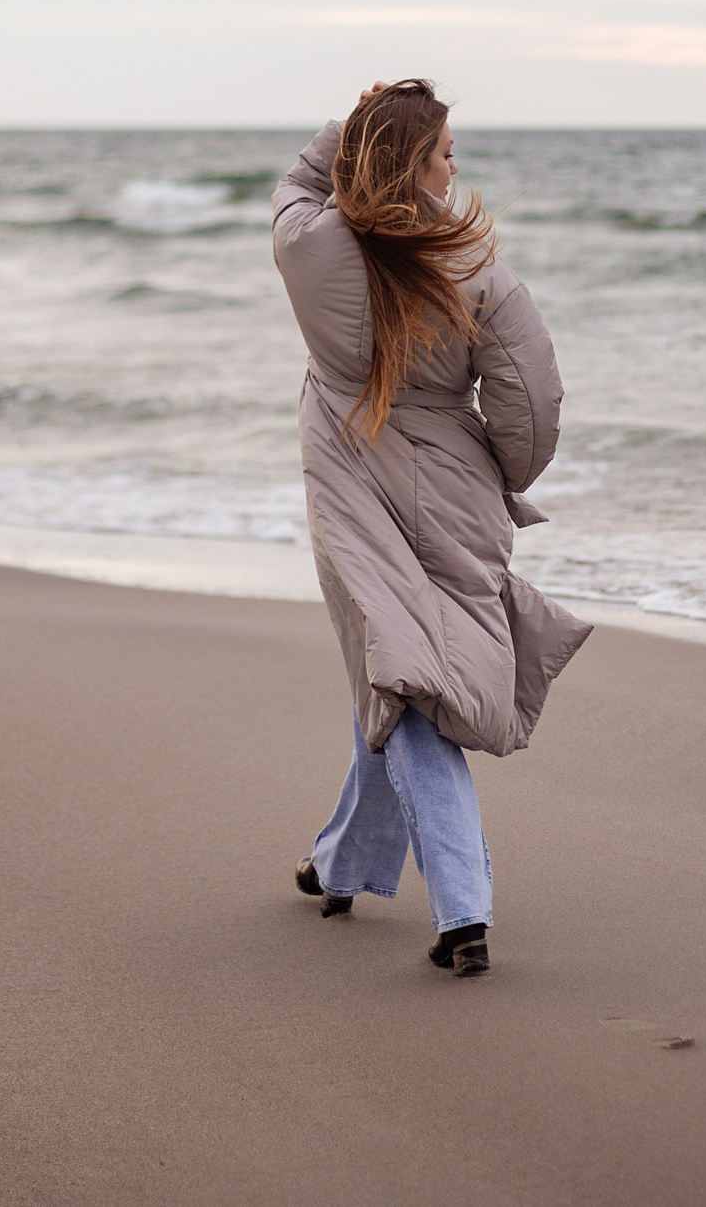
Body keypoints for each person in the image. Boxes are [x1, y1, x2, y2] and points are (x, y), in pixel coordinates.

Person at [271, 79, 592, 978]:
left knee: (403, 666)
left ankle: (426, 894)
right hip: (453, 488)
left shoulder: (307, 243)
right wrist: (502, 470)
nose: (456, 166)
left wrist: (353, 123)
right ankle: (398, 881)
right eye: (445, 151)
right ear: (414, 166)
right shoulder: (476, 267)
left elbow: (298, 181)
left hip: (348, 474)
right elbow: (531, 398)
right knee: (406, 669)